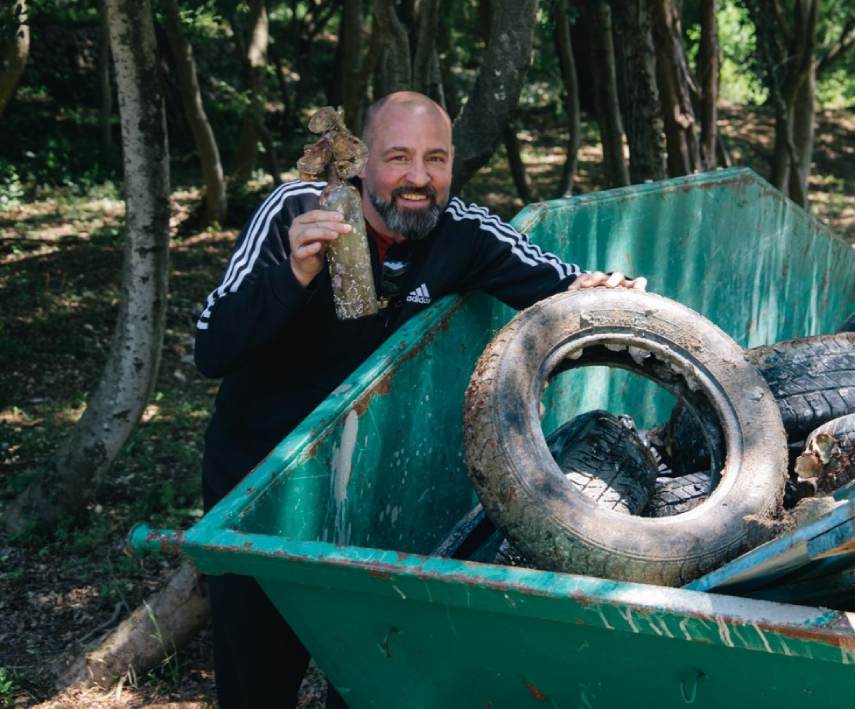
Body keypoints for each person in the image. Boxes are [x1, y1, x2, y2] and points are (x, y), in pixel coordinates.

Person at [193, 91, 642, 707]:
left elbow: (559, 284)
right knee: (258, 679)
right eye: (397, 157)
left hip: (374, 492)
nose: (417, 177)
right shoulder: (299, 209)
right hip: (263, 486)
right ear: (359, 162)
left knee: (372, 670)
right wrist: (292, 276)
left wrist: (602, 293)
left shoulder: (462, 228)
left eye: (435, 159)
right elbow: (210, 350)